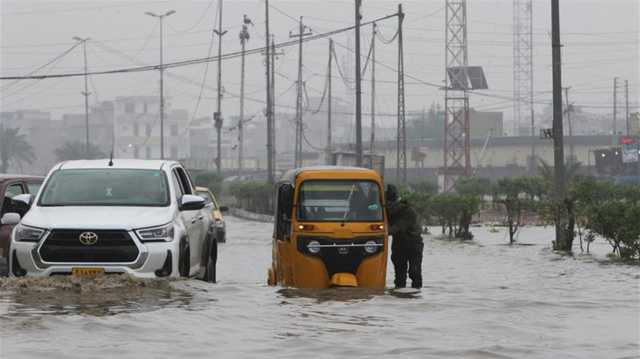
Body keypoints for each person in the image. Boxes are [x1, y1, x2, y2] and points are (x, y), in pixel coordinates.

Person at [385, 184, 424, 289]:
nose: (389, 207)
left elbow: (396, 228)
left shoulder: (408, 211)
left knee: (414, 272)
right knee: (399, 276)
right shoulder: (388, 211)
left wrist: (378, 232)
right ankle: (400, 296)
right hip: (398, 244)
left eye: (389, 204)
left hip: (413, 244)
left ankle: (416, 295)